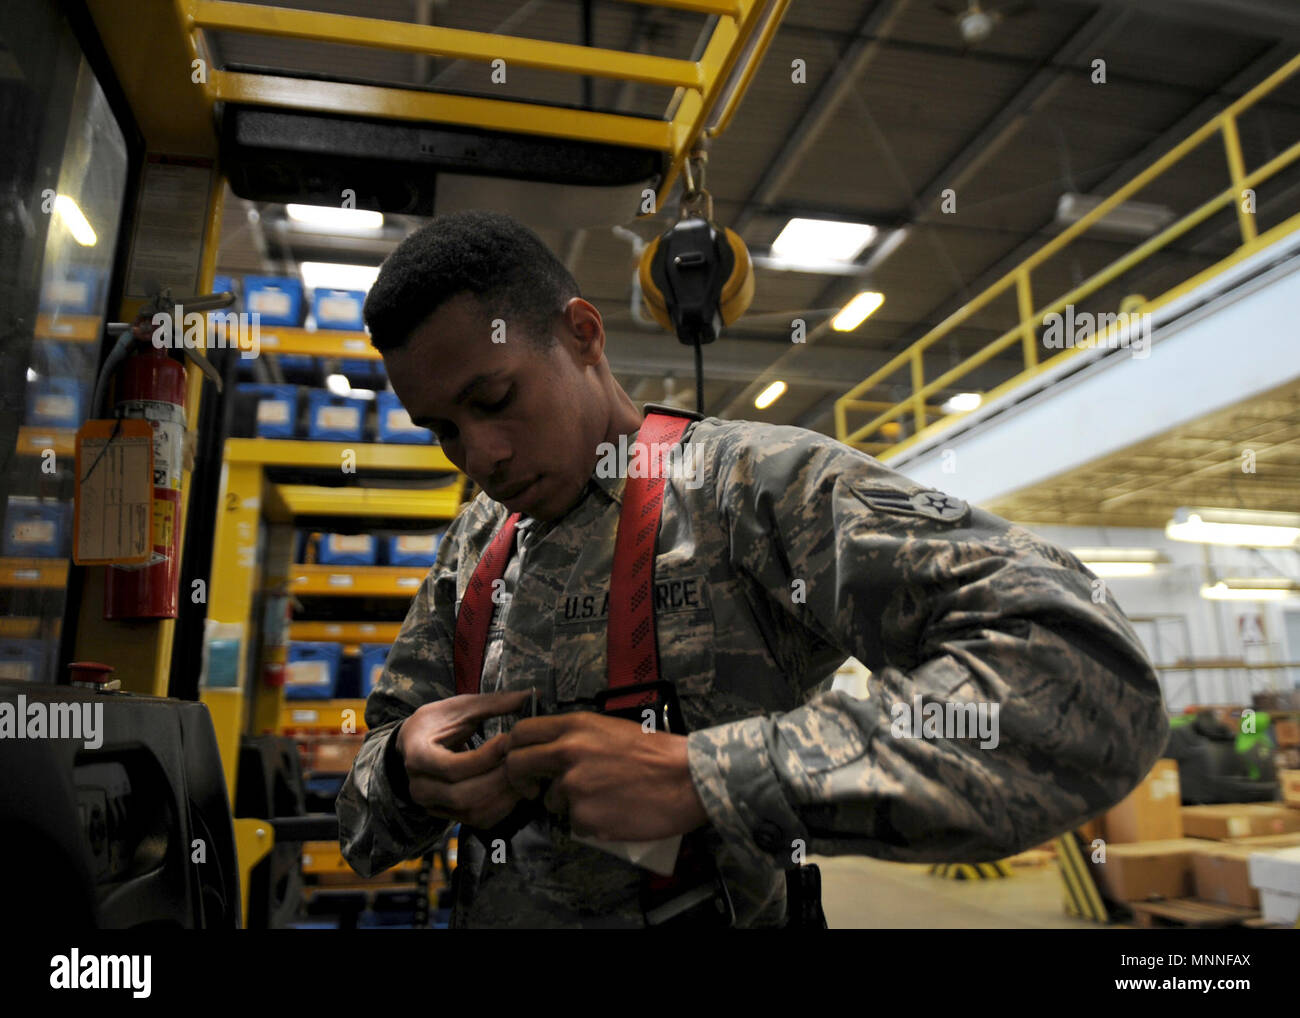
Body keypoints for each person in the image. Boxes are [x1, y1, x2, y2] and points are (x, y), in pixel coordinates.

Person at [337, 209, 1168, 928]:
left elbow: (1086, 678)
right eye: (442, 429)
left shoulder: (756, 491)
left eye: (494, 399)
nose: (478, 455)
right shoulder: (477, 545)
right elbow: (362, 805)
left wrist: (710, 776)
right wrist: (409, 774)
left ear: (583, 335)